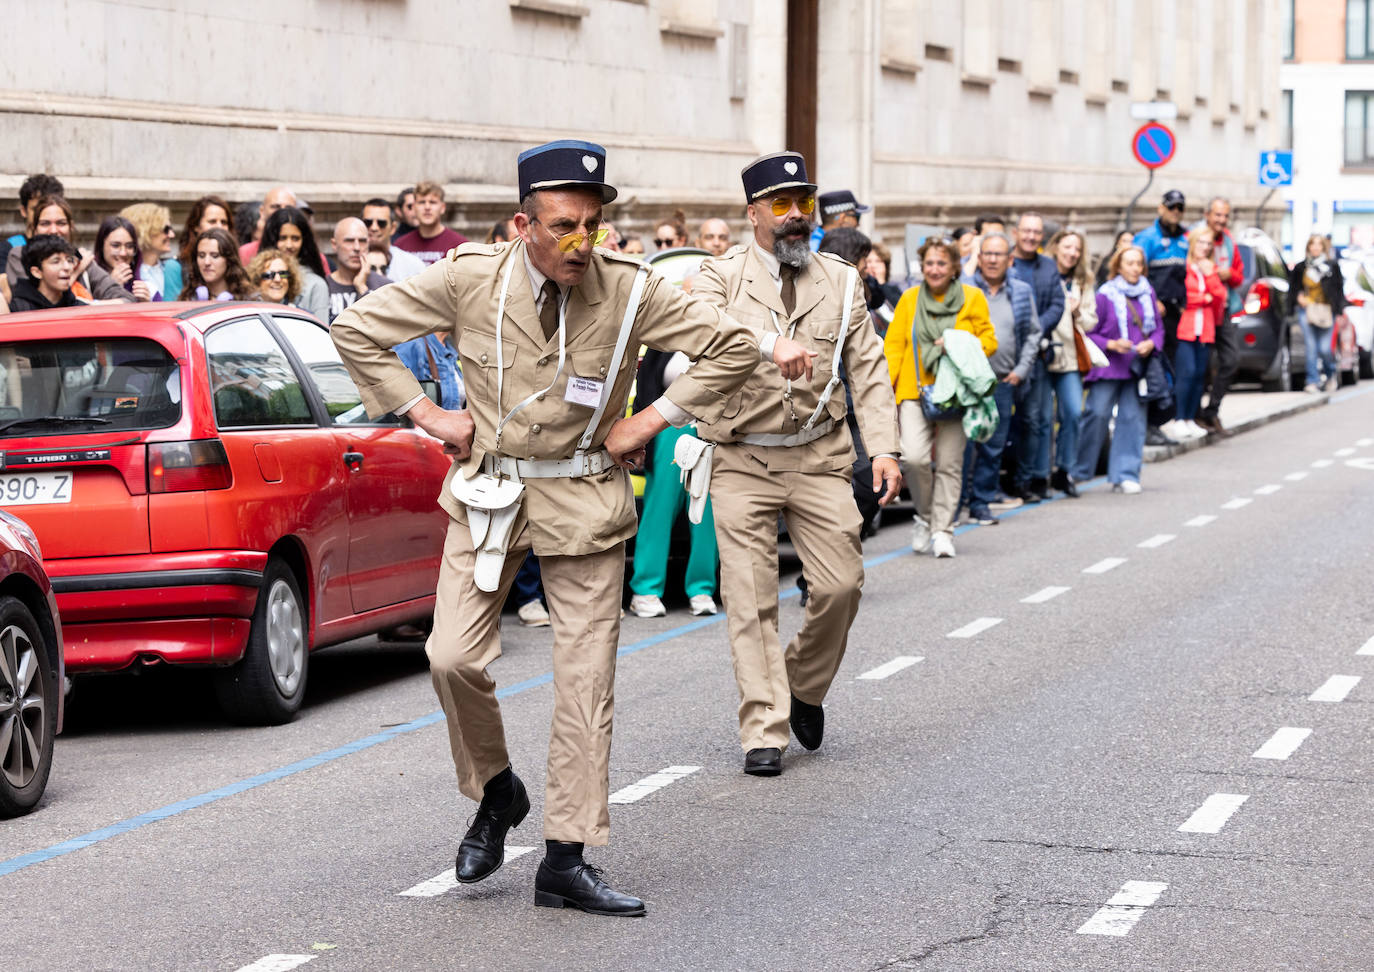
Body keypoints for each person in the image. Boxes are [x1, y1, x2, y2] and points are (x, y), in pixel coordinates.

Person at [330, 139, 811, 917]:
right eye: (563, 226)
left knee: (585, 682)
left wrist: (651, 420)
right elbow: (356, 328)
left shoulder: (627, 288)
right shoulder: (468, 278)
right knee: (451, 657)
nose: (581, 243)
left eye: (592, 224)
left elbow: (725, 343)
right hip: (491, 493)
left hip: (585, 495)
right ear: (524, 224)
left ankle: (566, 855)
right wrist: (425, 413)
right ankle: (495, 790)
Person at [692, 151, 901, 778]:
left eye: (802, 204)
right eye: (780, 205)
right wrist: (763, 343)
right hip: (740, 455)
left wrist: (886, 447)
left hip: (819, 455)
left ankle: (803, 686)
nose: (795, 217)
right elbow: (696, 329)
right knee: (750, 597)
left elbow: (866, 368)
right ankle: (764, 725)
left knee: (840, 585)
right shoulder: (717, 277)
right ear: (752, 213)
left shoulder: (840, 279)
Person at [886, 237, 998, 547]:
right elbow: (895, 345)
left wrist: (957, 342)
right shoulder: (909, 299)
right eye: (929, 263)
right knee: (915, 458)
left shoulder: (972, 298)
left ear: (954, 268)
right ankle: (925, 517)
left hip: (956, 391)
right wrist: (886, 389)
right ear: (922, 267)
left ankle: (942, 530)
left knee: (950, 463)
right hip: (913, 388)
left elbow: (989, 341)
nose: (934, 269)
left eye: (941, 263)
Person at [626, 348, 720, 619]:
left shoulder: (717, 333)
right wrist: (639, 439)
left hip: (709, 430)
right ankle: (645, 589)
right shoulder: (661, 341)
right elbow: (645, 389)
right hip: (666, 431)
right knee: (658, 513)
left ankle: (702, 589)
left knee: (705, 516)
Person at [959, 232, 1038, 524]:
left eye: (999, 255)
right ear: (979, 258)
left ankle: (981, 504)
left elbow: (1033, 334)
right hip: (967, 382)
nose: (992, 260)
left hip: (1003, 381)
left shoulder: (1020, 291)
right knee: (963, 447)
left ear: (1010, 259)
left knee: (993, 447)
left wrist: (1021, 371)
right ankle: (955, 507)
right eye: (988, 254)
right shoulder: (964, 289)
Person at [1072, 245, 1158, 494]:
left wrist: (1151, 343)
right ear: (1118, 266)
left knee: (1132, 420)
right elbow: (1089, 332)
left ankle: (1126, 474)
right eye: (1129, 263)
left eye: (1138, 263)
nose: (1134, 268)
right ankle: (1078, 470)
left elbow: (1158, 329)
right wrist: (1111, 344)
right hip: (1109, 367)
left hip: (1136, 369)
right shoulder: (1105, 295)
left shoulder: (1147, 292)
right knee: (1096, 415)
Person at [1007, 211, 1065, 503]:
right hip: (1003, 355)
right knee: (1005, 421)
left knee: (1035, 420)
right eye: (1026, 231)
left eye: (1036, 232)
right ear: (1016, 233)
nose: (1030, 237)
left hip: (1037, 356)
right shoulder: (1004, 262)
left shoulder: (1048, 267)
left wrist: (1034, 329)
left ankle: (1026, 480)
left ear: (1042, 237)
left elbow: (1058, 303)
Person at [1043, 229, 1097, 497]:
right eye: (1067, 247)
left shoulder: (1083, 281)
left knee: (1073, 413)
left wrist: (1077, 312)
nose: (1072, 253)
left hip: (1069, 356)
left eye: (1077, 249)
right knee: (1040, 418)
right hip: (1043, 354)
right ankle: (1039, 473)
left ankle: (1064, 470)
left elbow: (1091, 321)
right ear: (1056, 247)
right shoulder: (1042, 272)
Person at [1134, 190, 1189, 446]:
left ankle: (1165, 420)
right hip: (1155, 316)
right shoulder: (1147, 238)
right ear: (1161, 208)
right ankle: (1150, 423)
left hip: (1180, 315)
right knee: (1159, 371)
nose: (1175, 212)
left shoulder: (1185, 238)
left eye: (1180, 208)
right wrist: (1153, 301)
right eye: (1171, 207)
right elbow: (1134, 271)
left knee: (1179, 371)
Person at [6, 195, 132, 303]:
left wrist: (89, 306)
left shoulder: (82, 259)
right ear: (34, 228)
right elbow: (36, 302)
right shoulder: (20, 255)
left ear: (71, 227)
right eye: (45, 223)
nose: (54, 230)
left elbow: (126, 299)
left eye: (61, 223)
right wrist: (74, 273)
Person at [1166, 230, 1224, 439]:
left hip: (1205, 328)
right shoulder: (1183, 267)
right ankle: (1179, 418)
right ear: (1191, 243)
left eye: (1208, 244)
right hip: (1186, 328)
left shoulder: (1209, 268)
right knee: (1186, 373)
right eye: (1201, 242)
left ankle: (1191, 418)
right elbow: (1184, 298)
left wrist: (1209, 275)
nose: (1205, 247)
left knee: (1200, 375)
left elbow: (1219, 296)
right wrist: (1204, 298)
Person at [1196, 198, 1245, 434]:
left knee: (1231, 359)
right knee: (1199, 365)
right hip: (1200, 309)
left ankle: (1212, 410)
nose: (1221, 220)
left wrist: (1229, 274)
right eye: (1217, 215)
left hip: (1223, 308)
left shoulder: (1229, 242)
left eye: (1225, 216)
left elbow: (1239, 276)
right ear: (1207, 214)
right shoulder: (1195, 237)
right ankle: (1194, 414)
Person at [1289, 233, 1346, 394]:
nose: (1315, 247)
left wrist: (1339, 309)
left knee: (1325, 348)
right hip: (1306, 311)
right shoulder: (1301, 267)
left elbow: (1338, 289)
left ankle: (1330, 374)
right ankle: (1312, 380)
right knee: (1311, 347)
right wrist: (1299, 297)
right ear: (1308, 247)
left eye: (1318, 244)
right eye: (1312, 244)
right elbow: (1293, 288)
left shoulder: (1331, 266)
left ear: (1323, 247)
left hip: (1326, 311)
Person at [261, 207, 330, 321]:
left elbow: (321, 331)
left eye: (295, 238)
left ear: (304, 241)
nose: (289, 245)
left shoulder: (316, 285)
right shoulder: (260, 277)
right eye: (283, 238)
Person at [326, 218, 390, 323]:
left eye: (362, 241)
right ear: (334, 245)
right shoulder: (323, 287)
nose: (357, 248)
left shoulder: (385, 286)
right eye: (349, 241)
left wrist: (362, 288)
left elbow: (386, 327)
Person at [392, 181, 468, 265]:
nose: (427, 207)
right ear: (414, 207)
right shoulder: (400, 246)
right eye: (422, 202)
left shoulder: (459, 246)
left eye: (432, 202)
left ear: (442, 208)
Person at [120, 202, 182, 301]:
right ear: (145, 230)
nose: (172, 235)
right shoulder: (124, 273)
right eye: (166, 229)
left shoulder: (172, 268)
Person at [2, 174, 64, 271]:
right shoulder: (8, 249)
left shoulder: (69, 251)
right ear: (23, 211)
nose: (44, 215)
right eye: (36, 209)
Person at [9, 234, 81, 312]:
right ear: (37, 272)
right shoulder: (17, 311)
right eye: (56, 261)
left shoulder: (81, 308)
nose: (67, 267)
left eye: (69, 260)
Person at [360, 198, 424, 283]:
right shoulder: (352, 260)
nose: (374, 228)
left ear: (393, 228)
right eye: (368, 222)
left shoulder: (413, 265)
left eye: (381, 223)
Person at [181, 228, 252, 302]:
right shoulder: (188, 298)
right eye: (201, 256)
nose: (206, 262)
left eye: (215, 256)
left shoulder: (249, 301)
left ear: (229, 260)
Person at [93, 215, 153, 301]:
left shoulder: (145, 280)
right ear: (101, 246)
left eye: (129, 246)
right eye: (116, 245)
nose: (123, 253)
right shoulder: (87, 280)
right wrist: (110, 286)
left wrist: (146, 304)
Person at [238, 186, 301, 266]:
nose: (282, 211)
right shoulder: (245, 253)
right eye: (275, 207)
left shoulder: (309, 254)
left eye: (288, 208)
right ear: (262, 211)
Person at [177, 195, 234, 266]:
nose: (219, 227)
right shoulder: (177, 266)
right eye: (212, 221)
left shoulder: (239, 260)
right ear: (196, 226)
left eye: (224, 222)